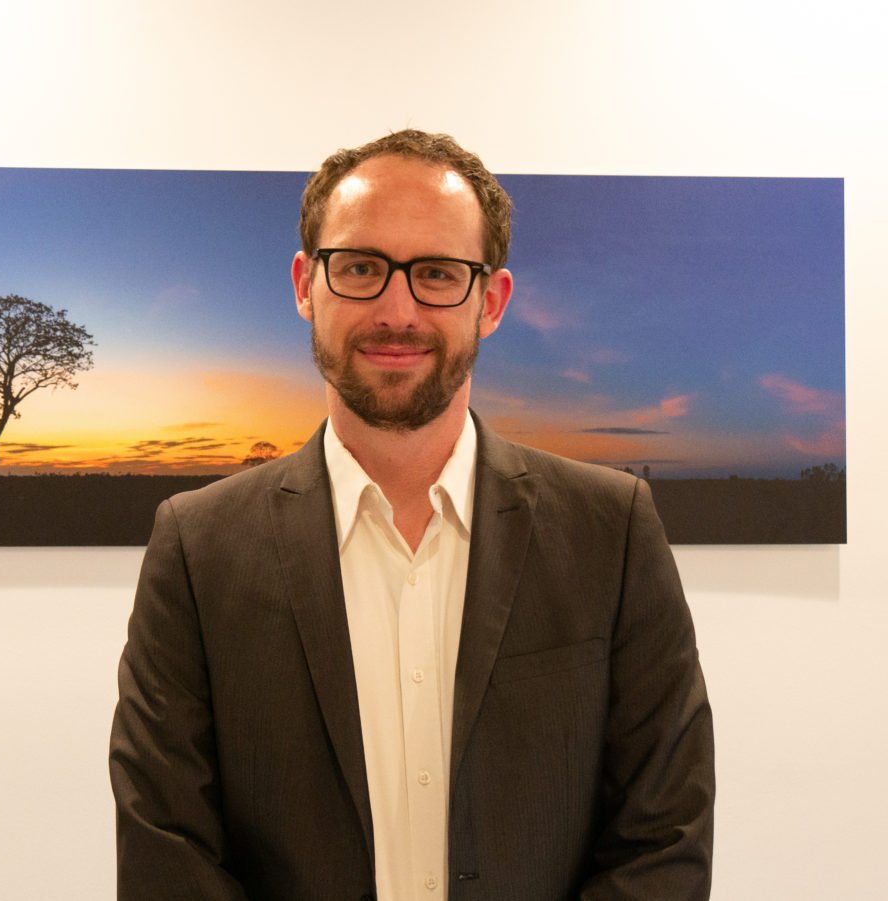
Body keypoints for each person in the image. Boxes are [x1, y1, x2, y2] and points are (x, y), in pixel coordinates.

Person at [110, 129, 714, 901]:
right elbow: (168, 854)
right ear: (305, 285)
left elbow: (665, 838)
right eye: (360, 267)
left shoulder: (612, 529)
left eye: (435, 273)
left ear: (489, 301)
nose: (397, 310)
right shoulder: (197, 548)